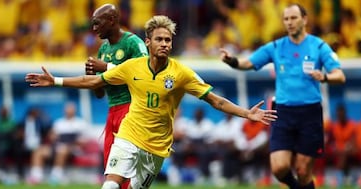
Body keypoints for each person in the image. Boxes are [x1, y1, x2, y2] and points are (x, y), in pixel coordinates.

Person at [25, 15, 277, 189]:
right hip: (128, 136)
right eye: (159, 39)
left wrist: (247, 113)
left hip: (157, 147)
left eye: (168, 40)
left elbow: (215, 100)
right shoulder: (132, 66)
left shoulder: (181, 73)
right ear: (148, 42)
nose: (165, 44)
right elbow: (94, 81)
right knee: (111, 184)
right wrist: (56, 81)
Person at [219, 3, 346, 189]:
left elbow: (340, 75)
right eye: (286, 19)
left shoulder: (318, 46)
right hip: (283, 112)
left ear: (304, 19)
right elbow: (248, 63)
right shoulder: (276, 47)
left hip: (309, 112)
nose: (289, 22)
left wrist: (325, 77)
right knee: (279, 168)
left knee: (303, 171)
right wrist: (231, 61)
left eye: (293, 18)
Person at [85, 4, 148, 189]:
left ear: (111, 20)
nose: (94, 28)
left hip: (131, 110)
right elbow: (99, 93)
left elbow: (144, 76)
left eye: (97, 23)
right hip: (112, 112)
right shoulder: (103, 50)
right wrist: (91, 77)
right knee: (111, 171)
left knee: (126, 173)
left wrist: (105, 68)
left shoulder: (133, 43)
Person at [26, 102, 88, 184]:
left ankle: (56, 176)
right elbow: (52, 136)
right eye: (67, 109)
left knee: (62, 149)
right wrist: (52, 136)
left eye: (70, 109)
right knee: (39, 151)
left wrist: (72, 143)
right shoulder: (59, 123)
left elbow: (84, 141)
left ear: (74, 111)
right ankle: (36, 176)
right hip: (57, 147)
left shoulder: (81, 123)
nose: (68, 111)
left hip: (73, 149)